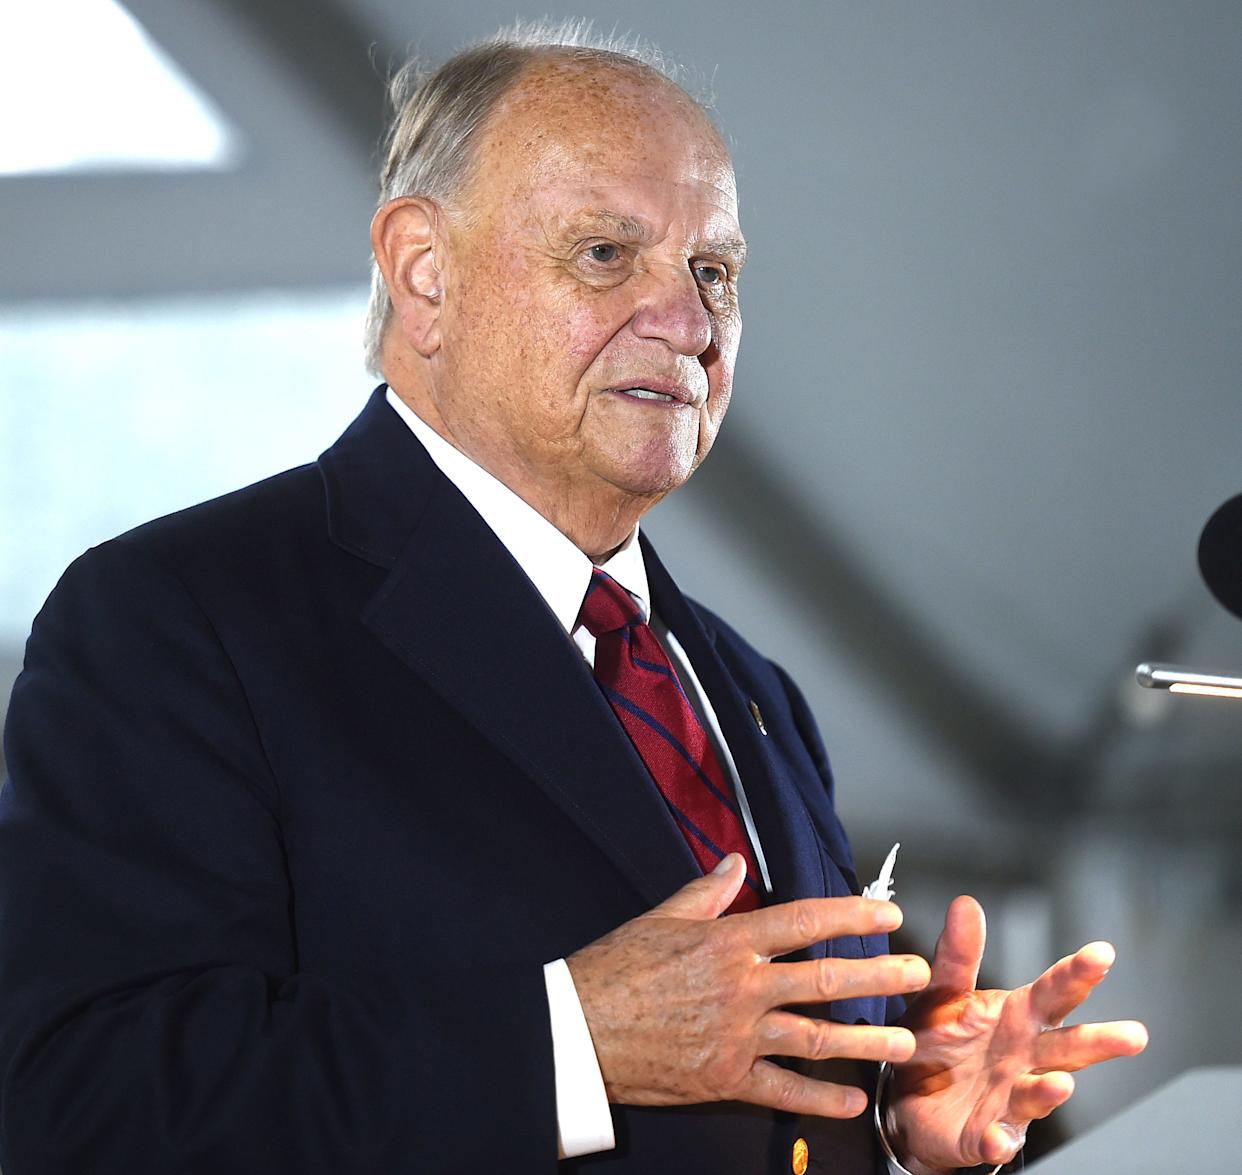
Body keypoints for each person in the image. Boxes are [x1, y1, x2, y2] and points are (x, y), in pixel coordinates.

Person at [0, 22, 1146, 1175]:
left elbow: (752, 1102)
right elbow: (86, 1101)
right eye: (606, 254)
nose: (691, 326)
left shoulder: (752, 688)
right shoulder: (181, 616)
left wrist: (898, 1123)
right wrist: (569, 1045)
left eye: (715, 271)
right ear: (423, 271)